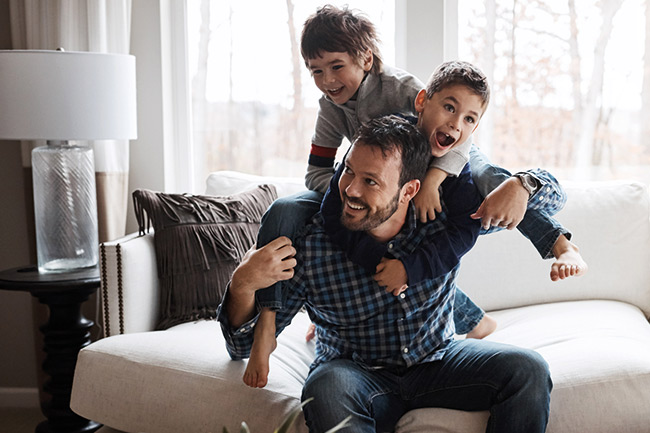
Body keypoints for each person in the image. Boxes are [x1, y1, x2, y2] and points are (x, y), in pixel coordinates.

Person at [244, 5, 586, 388]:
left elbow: (451, 134)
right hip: (382, 189)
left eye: (337, 67)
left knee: (493, 185)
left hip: (444, 162)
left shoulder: (402, 90)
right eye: (316, 71)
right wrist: (355, 190)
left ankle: (559, 245)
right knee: (285, 209)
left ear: (366, 59)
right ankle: (269, 321)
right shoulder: (331, 109)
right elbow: (316, 173)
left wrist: (434, 181)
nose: (327, 79)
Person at [218, 115, 553, 433]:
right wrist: (242, 284)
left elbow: (552, 204)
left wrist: (522, 185)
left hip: (438, 359)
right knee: (326, 386)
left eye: (370, 181)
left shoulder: (443, 221)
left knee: (528, 369)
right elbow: (242, 347)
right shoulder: (310, 244)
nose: (349, 190)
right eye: (347, 171)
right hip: (354, 372)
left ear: (409, 190)